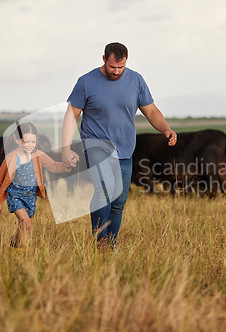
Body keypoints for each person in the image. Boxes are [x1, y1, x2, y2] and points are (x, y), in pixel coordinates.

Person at [62, 42, 177, 249]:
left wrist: (165, 129)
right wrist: (66, 147)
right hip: (95, 143)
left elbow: (150, 110)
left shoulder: (136, 80)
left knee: (119, 201)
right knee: (104, 188)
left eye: (120, 67)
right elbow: (72, 115)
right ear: (104, 59)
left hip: (125, 148)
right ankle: (101, 239)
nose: (116, 72)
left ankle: (110, 246)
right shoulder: (86, 82)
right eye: (112, 67)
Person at [0, 122, 71, 247]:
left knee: (23, 225)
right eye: (26, 142)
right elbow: (0, 180)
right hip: (15, 196)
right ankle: (24, 251)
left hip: (30, 196)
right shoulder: (11, 158)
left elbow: (54, 166)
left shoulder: (38, 155)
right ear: (18, 140)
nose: (30, 145)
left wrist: (67, 165)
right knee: (26, 223)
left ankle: (15, 242)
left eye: (33, 142)